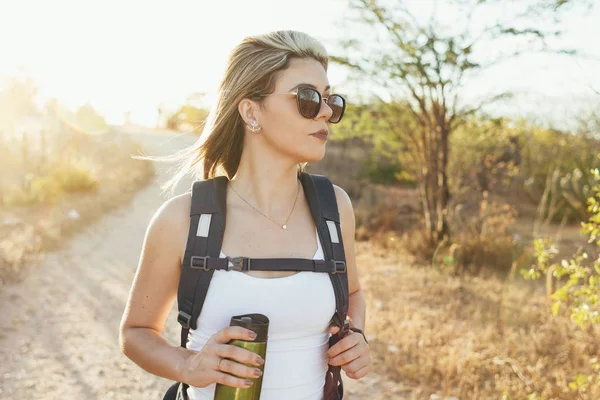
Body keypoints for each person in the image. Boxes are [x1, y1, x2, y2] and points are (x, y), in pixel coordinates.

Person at [119, 30, 372, 399]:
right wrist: (188, 365)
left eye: (331, 100)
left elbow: (353, 293)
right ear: (251, 111)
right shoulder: (184, 219)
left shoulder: (335, 209)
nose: (325, 112)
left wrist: (356, 335)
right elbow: (136, 332)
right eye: (307, 98)